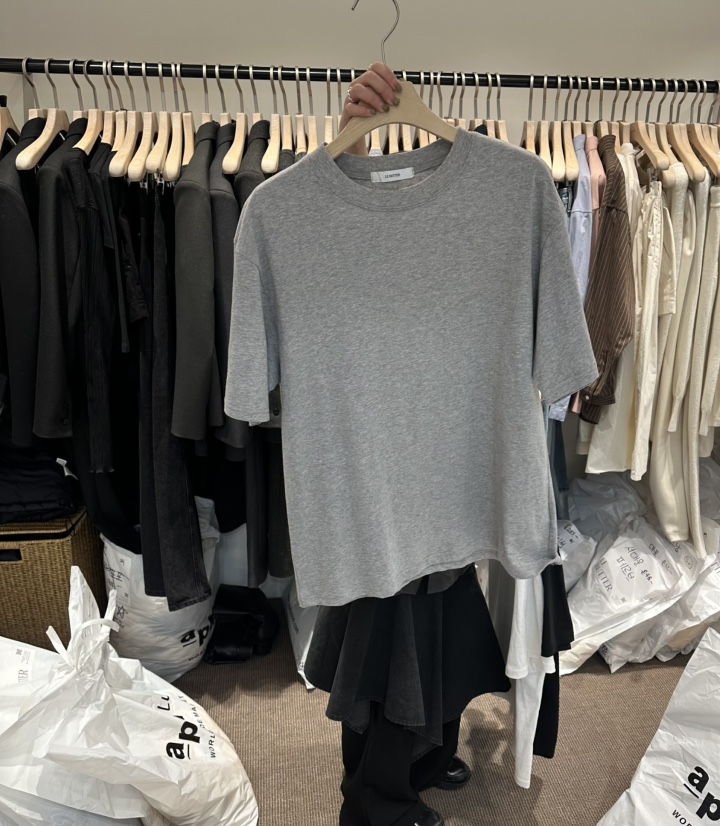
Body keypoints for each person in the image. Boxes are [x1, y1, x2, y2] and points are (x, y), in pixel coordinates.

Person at [303, 63, 511, 826]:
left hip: (449, 453)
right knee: (390, 630)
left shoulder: (490, 198)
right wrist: (345, 157)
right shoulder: (314, 207)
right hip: (373, 466)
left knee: (443, 619)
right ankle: (374, 801)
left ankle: (422, 757)